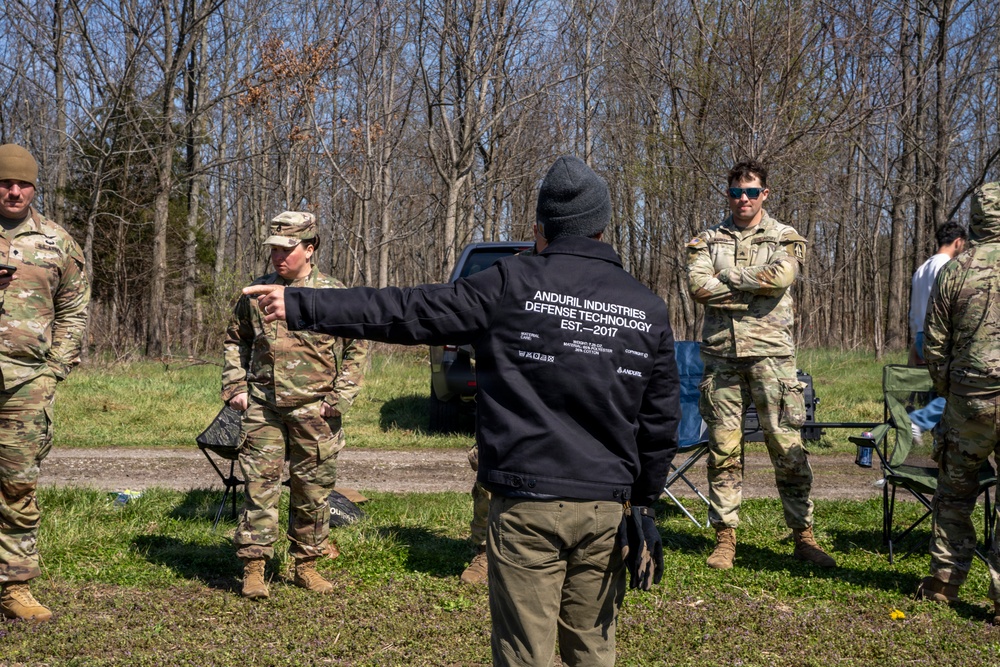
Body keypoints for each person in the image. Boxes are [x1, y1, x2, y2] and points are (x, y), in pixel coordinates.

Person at [246, 156, 680, 666]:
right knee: (592, 646)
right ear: (603, 229)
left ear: (540, 228)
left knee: (524, 652)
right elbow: (660, 419)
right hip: (608, 510)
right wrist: (644, 504)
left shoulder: (511, 283)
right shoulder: (646, 306)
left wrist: (304, 306)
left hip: (528, 506)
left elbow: (409, 311)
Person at [687, 158, 836, 570]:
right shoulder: (707, 239)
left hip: (773, 358)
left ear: (764, 194)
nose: (743, 199)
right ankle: (725, 539)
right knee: (723, 451)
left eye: (751, 192)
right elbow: (699, 286)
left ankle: (803, 536)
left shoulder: (784, 236)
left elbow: (781, 277)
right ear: (728, 194)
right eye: (736, 192)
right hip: (722, 360)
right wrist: (754, 289)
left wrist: (729, 277)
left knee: (787, 448)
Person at [221, 211, 368, 600]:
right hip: (264, 408)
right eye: (273, 250)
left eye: (287, 250)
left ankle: (306, 565)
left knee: (313, 490)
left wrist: (341, 397)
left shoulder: (333, 295)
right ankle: (255, 568)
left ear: (311, 248)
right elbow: (237, 340)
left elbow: (357, 346)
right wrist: (236, 385)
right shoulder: (256, 292)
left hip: (315, 409)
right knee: (259, 488)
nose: (278, 257)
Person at [0, 144, 90, 621]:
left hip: (26, 383)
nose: (14, 191)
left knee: (17, 485)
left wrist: (55, 367)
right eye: (5, 182)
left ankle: (15, 587)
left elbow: (75, 308)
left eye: (23, 183)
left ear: (35, 186)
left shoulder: (57, 241)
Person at [916, 181, 1000, 626]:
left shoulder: (955, 269)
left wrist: (951, 390)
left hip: (969, 399)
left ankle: (944, 582)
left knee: (954, 492)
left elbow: (935, 345)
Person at [460, 241, 538, 587]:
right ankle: (483, 553)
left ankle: (534, 554)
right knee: (491, 475)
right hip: (507, 392)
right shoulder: (510, 272)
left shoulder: (577, 272)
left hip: (558, 395)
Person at [906, 222, 967, 442]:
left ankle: (936, 434)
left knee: (939, 392)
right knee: (959, 389)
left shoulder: (921, 269)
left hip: (922, 337)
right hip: (939, 338)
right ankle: (921, 420)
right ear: (958, 242)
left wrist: (916, 341)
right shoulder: (949, 267)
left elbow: (914, 311)